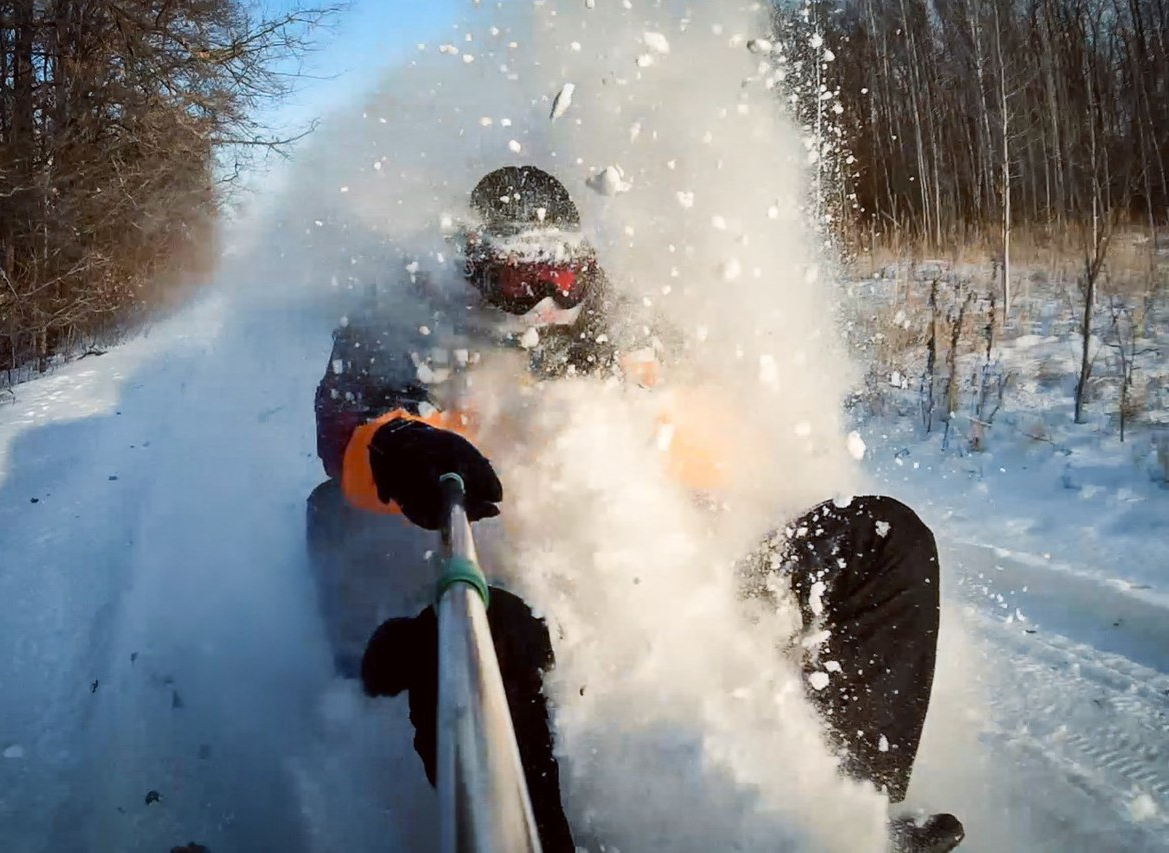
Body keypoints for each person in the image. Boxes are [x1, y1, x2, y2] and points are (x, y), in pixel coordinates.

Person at [307, 166, 965, 852]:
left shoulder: (624, 324)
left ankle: (844, 816)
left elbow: (728, 432)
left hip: (670, 586)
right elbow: (342, 425)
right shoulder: (406, 322)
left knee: (885, 537)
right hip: (491, 584)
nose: (544, 303)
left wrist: (659, 423)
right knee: (344, 525)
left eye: (563, 277)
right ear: (473, 268)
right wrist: (397, 441)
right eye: (519, 279)